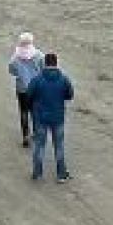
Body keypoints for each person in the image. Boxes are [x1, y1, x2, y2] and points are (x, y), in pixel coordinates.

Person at [27, 52, 74, 182]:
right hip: (58, 117)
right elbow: (70, 95)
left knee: (39, 146)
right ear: (56, 63)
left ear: (45, 63)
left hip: (40, 117)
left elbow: (29, 95)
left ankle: (37, 173)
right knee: (59, 146)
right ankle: (61, 174)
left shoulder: (37, 79)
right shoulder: (64, 79)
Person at [8, 32, 42, 148]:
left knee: (23, 112)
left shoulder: (15, 57)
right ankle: (37, 135)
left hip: (22, 88)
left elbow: (11, 71)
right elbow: (43, 69)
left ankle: (25, 137)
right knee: (35, 112)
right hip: (35, 88)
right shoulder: (39, 55)